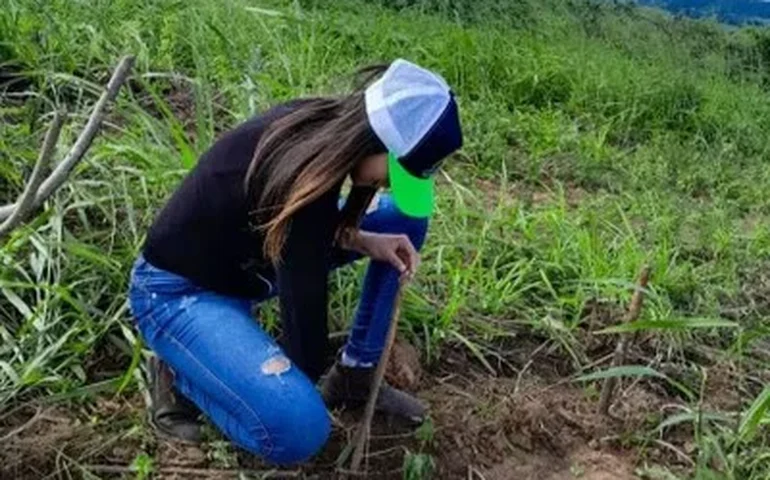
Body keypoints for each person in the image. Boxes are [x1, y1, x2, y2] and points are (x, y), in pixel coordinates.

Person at [127, 58, 463, 465]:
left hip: (250, 262)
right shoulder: (304, 181)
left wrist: (362, 240)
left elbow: (304, 236)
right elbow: (305, 339)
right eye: (394, 173)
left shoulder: (326, 141)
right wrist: (296, 377)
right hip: (180, 291)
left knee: (404, 218)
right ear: (376, 141)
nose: (389, 185)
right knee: (300, 429)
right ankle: (180, 375)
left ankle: (356, 374)